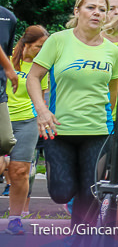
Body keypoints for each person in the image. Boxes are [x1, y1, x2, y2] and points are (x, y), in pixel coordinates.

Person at [27, 0, 118, 227]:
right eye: (91, 7)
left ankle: (79, 238)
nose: (97, 13)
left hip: (98, 131)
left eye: (102, 9)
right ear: (77, 11)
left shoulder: (113, 51)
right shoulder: (58, 40)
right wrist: (42, 111)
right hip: (59, 130)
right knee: (62, 192)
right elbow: (33, 77)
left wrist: (105, 116)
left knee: (90, 195)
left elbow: (114, 91)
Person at [3, 26, 48, 235]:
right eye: (39, 46)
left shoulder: (41, 67)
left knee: (20, 171)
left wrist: (43, 116)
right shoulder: (7, 57)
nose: (43, 50)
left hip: (26, 122)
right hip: (3, 117)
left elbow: (42, 94)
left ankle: (15, 219)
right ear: (27, 44)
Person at [0, 0, 18, 157]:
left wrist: (7, 68)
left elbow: (7, 50)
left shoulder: (8, 18)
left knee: (5, 141)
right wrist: (8, 67)